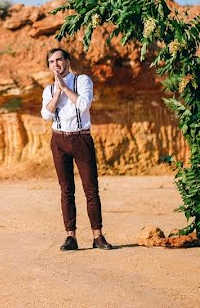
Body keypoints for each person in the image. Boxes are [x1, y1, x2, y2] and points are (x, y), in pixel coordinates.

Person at [41, 48, 113, 251]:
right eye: (51, 62)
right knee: (66, 190)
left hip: (81, 138)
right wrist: (56, 93)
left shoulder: (82, 81)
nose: (56, 64)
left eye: (59, 60)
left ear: (67, 61)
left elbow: (83, 105)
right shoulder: (48, 89)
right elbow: (46, 115)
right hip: (58, 140)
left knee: (91, 188)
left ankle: (97, 236)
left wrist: (64, 88)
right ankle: (70, 236)